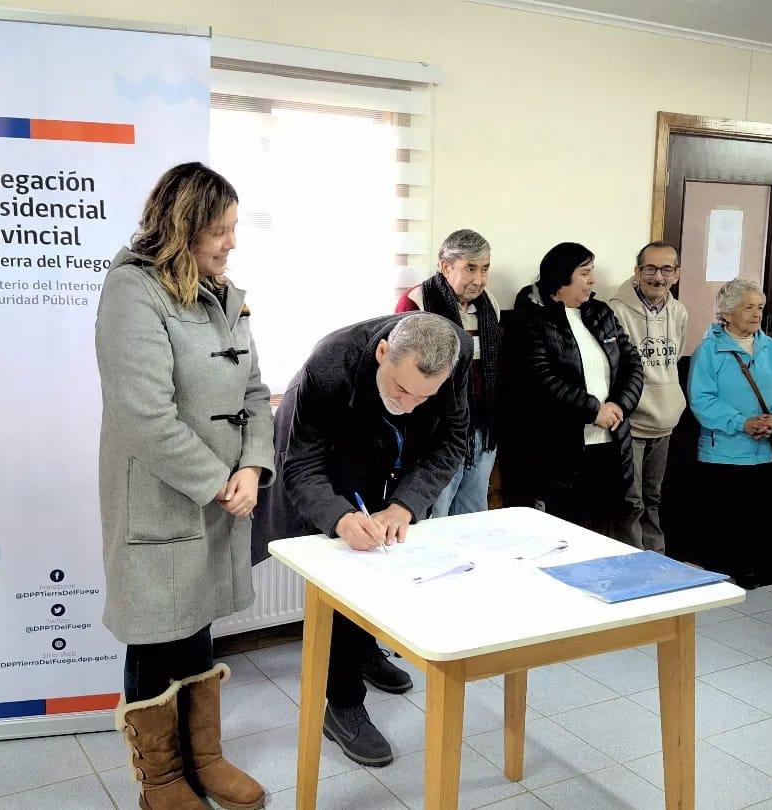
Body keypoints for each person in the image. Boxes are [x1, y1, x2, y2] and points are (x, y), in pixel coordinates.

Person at [95, 162, 272, 810]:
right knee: (156, 633)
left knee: (196, 626)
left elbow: (255, 390)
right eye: (220, 229)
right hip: (162, 496)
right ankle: (162, 780)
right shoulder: (131, 291)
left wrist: (251, 466)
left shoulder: (223, 292)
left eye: (233, 229)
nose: (231, 242)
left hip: (223, 493)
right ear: (185, 225)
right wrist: (220, 481)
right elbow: (143, 415)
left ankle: (205, 759)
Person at [254, 312, 469, 767]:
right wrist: (340, 517)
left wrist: (405, 504)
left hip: (391, 453)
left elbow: (451, 442)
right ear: (383, 353)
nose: (410, 404)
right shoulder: (328, 367)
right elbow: (301, 465)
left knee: (384, 554)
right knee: (346, 573)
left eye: (424, 395)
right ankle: (343, 705)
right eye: (402, 389)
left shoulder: (456, 356)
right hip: (331, 453)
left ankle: (366, 651)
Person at [499, 242, 643, 539]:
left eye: (593, 272)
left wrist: (619, 405)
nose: (593, 280)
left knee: (605, 530)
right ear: (561, 277)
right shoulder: (531, 321)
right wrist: (593, 410)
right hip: (560, 449)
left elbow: (632, 363)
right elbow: (540, 378)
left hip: (610, 442)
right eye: (585, 273)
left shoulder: (601, 313)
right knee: (564, 534)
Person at [686, 278, 772, 586]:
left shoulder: (771, 348)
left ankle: (751, 568)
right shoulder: (709, 350)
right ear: (727, 311)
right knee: (724, 516)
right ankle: (719, 570)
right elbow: (701, 399)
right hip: (722, 450)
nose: (756, 314)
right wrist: (742, 422)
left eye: (760, 307)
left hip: (765, 451)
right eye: (748, 307)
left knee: (758, 516)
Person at [396, 228, 501, 517]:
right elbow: (403, 369)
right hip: (437, 428)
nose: (479, 279)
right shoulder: (417, 301)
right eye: (470, 268)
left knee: (473, 508)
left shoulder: (489, 304)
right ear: (445, 266)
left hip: (482, 427)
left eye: (484, 269)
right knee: (437, 509)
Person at [607, 240, 689, 552]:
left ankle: (656, 560)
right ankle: (630, 564)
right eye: (650, 268)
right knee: (631, 499)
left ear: (676, 274)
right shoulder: (616, 310)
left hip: (665, 421)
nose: (658, 276)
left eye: (666, 269)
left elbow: (674, 358)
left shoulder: (679, 312)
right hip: (632, 421)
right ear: (637, 271)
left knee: (653, 498)